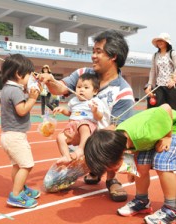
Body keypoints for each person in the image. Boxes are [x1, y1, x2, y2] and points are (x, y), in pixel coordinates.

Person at [38, 29, 135, 202]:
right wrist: (51, 81)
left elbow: (119, 130)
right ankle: (94, 169)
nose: (93, 56)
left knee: (119, 138)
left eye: (98, 52)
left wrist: (90, 146)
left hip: (101, 144)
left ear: (113, 56)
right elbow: (61, 88)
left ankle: (111, 178)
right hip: (80, 140)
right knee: (52, 183)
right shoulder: (83, 74)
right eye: (93, 51)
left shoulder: (124, 91)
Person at [84, 104, 176, 224]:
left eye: (111, 167)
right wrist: (132, 169)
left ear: (118, 154)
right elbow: (133, 149)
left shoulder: (144, 133)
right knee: (141, 166)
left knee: (162, 162)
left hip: (175, 126)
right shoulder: (121, 140)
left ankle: (172, 210)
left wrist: (167, 136)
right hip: (155, 131)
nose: (113, 171)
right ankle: (142, 201)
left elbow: (166, 108)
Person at [0, 54, 40, 208]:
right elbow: (22, 110)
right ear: (18, 73)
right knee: (27, 165)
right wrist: (32, 99)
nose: (29, 78)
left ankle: (21, 189)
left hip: (8, 135)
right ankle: (16, 195)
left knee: (17, 165)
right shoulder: (15, 90)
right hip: (15, 136)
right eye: (29, 75)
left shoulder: (7, 88)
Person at [53, 73, 110, 165]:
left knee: (83, 125)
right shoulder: (73, 101)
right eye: (79, 87)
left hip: (87, 127)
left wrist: (95, 111)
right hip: (72, 127)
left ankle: (81, 149)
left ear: (95, 91)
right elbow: (71, 113)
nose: (81, 90)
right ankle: (66, 156)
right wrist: (63, 110)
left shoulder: (95, 102)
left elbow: (100, 117)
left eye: (86, 88)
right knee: (59, 137)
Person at [144, 33, 176, 112]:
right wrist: (149, 85)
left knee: (173, 109)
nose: (159, 42)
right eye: (158, 41)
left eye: (162, 40)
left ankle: (174, 124)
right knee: (159, 108)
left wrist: (173, 79)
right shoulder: (155, 55)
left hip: (172, 85)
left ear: (167, 42)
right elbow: (153, 71)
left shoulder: (172, 53)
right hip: (159, 85)